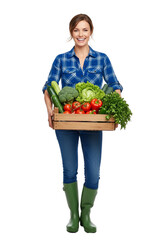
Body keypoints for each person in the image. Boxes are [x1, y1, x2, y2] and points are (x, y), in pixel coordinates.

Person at [42, 14, 123, 233]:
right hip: (66, 121)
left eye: (85, 30)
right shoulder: (61, 59)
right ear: (71, 33)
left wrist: (114, 100)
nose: (81, 34)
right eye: (76, 30)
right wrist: (50, 111)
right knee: (70, 170)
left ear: (91, 32)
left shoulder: (102, 59)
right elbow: (48, 87)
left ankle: (86, 213)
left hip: (93, 121)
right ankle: (73, 215)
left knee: (93, 172)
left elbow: (115, 84)